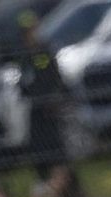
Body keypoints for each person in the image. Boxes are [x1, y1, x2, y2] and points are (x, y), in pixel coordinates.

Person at [14, 12, 69, 178]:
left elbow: (50, 75)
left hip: (48, 106)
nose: (28, 35)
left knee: (54, 144)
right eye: (24, 32)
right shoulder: (22, 53)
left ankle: (59, 176)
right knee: (38, 145)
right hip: (35, 107)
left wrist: (53, 97)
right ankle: (44, 175)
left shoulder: (42, 51)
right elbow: (24, 80)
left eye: (30, 30)